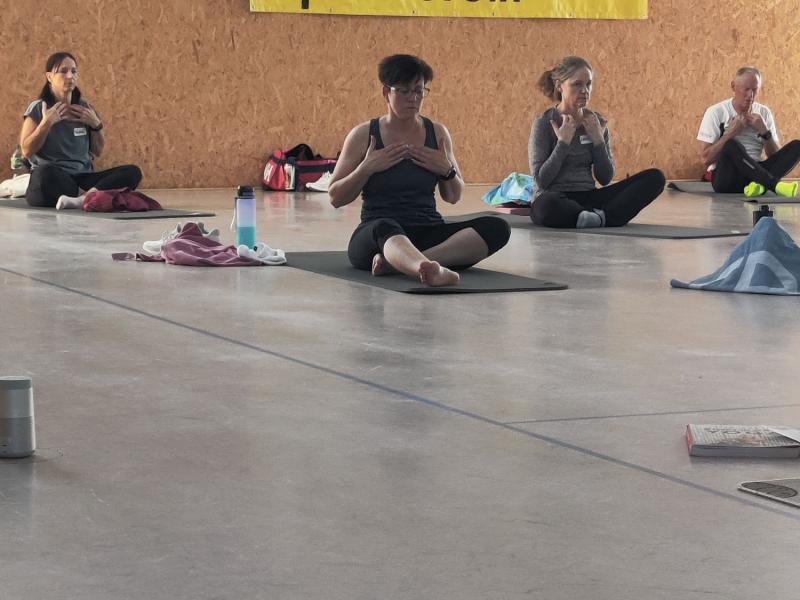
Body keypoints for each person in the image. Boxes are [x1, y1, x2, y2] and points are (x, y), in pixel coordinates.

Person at [328, 54, 510, 287]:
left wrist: (447, 171)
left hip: (428, 229)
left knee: (497, 227)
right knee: (385, 225)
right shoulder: (363, 134)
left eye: (418, 91)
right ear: (386, 92)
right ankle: (420, 266)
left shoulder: (437, 132)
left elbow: (453, 196)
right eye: (404, 91)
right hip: (379, 234)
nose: (413, 98)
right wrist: (366, 168)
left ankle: (406, 264)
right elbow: (335, 198)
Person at [529, 56, 665, 228]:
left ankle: (591, 217)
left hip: (589, 196)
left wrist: (598, 141)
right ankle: (598, 217)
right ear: (559, 86)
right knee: (546, 206)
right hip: (555, 197)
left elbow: (605, 178)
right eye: (577, 84)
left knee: (655, 178)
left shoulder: (596, 123)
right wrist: (563, 143)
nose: (585, 90)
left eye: (588, 84)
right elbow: (541, 181)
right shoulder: (544, 123)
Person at [19, 51, 142, 209]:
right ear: (49, 77)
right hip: (54, 178)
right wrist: (46, 124)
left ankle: (82, 199)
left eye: (74, 71)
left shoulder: (85, 109)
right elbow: (26, 150)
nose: (70, 76)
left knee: (132, 172)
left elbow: (97, 151)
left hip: (83, 178)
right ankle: (90, 197)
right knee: (44, 174)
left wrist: (96, 125)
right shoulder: (38, 107)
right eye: (63, 71)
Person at [697, 66, 800, 197]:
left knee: (797, 146)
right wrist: (730, 133)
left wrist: (765, 132)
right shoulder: (716, 112)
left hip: (755, 174)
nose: (750, 95)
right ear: (733, 86)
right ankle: (773, 185)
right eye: (746, 89)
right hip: (727, 179)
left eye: (754, 90)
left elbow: (775, 156)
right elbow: (705, 159)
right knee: (731, 144)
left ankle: (760, 186)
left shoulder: (764, 113)